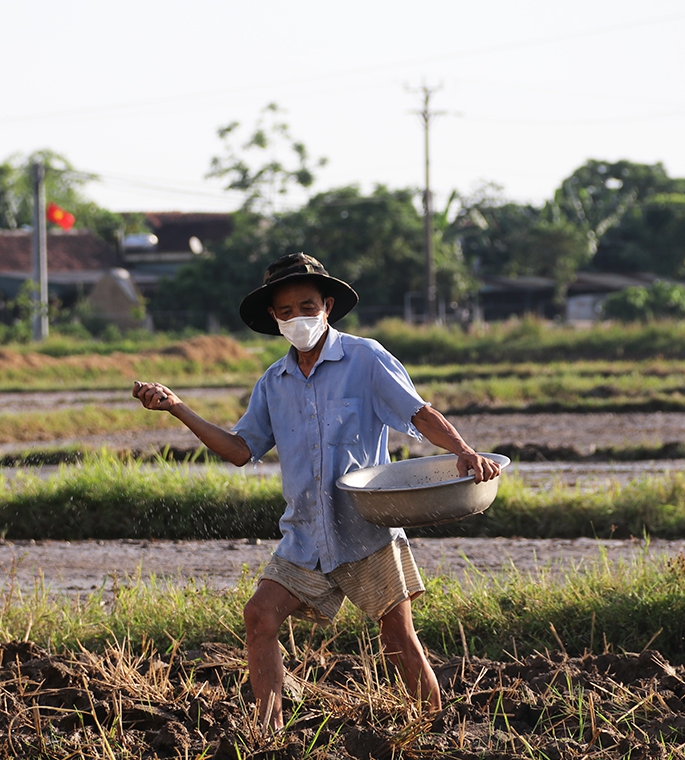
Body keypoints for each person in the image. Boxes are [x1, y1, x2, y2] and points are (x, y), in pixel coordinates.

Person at [132, 253, 500, 728]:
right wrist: (179, 408)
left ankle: (434, 733)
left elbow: (417, 412)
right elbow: (241, 450)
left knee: (396, 636)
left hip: (367, 530)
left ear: (327, 305)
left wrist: (463, 450)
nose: (297, 318)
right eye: (285, 312)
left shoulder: (364, 358)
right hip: (306, 535)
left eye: (306, 306)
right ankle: (269, 735)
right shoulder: (273, 383)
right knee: (259, 617)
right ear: (274, 319)